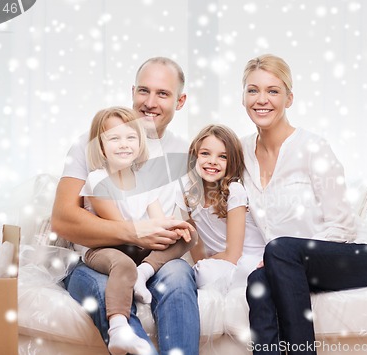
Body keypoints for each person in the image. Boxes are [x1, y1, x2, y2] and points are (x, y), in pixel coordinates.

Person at [51, 57, 200, 355]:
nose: (150, 102)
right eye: (143, 91)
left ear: (180, 101)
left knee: (179, 279)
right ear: (132, 91)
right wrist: (134, 232)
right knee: (107, 283)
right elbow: (63, 219)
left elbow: (191, 219)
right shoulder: (91, 143)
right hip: (96, 259)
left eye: (163, 93)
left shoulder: (184, 153)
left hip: (153, 260)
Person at [241, 54, 367, 355]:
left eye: (273, 90)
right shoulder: (241, 152)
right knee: (257, 280)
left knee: (280, 249)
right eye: (253, 90)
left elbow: (342, 225)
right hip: (286, 262)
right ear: (243, 97)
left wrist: (286, 258)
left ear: (289, 98)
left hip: (354, 256)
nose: (261, 99)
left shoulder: (312, 148)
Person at [78, 107, 196, 354]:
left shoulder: (144, 181)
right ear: (100, 146)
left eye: (130, 137)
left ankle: (144, 272)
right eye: (114, 138)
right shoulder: (96, 180)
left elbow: (158, 219)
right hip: (106, 249)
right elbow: (120, 228)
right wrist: (152, 234)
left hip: (138, 247)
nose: (124, 145)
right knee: (123, 264)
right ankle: (119, 328)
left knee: (188, 235)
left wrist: (174, 229)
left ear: (140, 143)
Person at [178, 124, 266, 293]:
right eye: (205, 153)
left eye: (222, 157)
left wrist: (209, 262)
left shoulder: (234, 191)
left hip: (247, 260)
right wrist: (207, 264)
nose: (212, 161)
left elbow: (233, 255)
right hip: (219, 264)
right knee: (201, 273)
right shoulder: (189, 198)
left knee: (211, 271)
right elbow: (199, 257)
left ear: (232, 162)